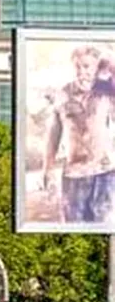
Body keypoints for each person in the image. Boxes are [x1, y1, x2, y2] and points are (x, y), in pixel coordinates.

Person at [42, 45, 115, 223]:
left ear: (97, 68)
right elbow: (53, 136)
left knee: (105, 223)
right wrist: (48, 168)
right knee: (73, 226)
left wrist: (107, 63)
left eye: (87, 66)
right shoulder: (62, 95)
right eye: (78, 67)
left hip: (104, 173)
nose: (82, 72)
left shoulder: (106, 92)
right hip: (74, 175)